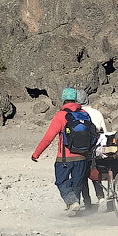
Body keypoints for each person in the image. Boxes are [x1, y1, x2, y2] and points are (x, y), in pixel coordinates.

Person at [31, 86, 95, 217]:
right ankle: (74, 207)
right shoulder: (84, 114)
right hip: (82, 157)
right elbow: (93, 135)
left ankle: (72, 203)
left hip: (65, 158)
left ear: (64, 99)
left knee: (61, 181)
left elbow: (49, 137)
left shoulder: (61, 115)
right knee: (77, 183)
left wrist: (36, 153)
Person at [76, 88, 107, 211]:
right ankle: (101, 197)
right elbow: (104, 132)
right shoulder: (97, 113)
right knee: (96, 175)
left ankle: (87, 202)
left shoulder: (77, 114)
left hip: (81, 150)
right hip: (97, 150)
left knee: (83, 177)